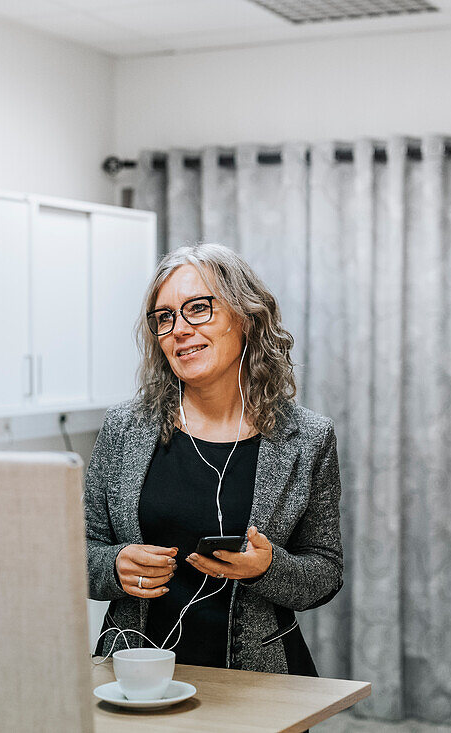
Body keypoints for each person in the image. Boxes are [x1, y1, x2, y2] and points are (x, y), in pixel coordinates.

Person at [84, 242, 343, 675]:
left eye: (198, 308)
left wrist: (267, 567)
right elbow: (80, 551)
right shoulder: (124, 428)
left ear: (245, 317)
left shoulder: (308, 438)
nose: (178, 329)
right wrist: (113, 565)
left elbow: (325, 572)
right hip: (134, 675)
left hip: (261, 679)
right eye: (164, 317)